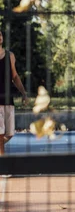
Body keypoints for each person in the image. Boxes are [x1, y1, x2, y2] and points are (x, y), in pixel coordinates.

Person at [0, 29, 29, 158]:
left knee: (9, 134)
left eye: (0, 35)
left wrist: (23, 93)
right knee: (0, 134)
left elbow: (15, 76)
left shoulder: (9, 55)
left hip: (8, 100)